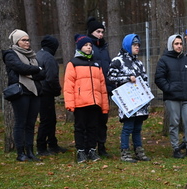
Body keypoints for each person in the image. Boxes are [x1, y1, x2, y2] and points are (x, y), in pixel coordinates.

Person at [64, 34, 109, 163]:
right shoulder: (73, 63)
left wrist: (104, 105)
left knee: (93, 127)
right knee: (80, 127)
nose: (88, 47)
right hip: (80, 102)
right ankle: (81, 151)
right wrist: (70, 103)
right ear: (79, 47)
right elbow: (68, 85)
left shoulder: (96, 64)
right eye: (85, 45)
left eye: (90, 45)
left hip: (95, 102)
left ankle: (91, 149)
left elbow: (102, 87)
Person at [155, 34, 187, 158]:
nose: (179, 46)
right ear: (171, 44)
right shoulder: (164, 60)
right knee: (174, 123)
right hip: (172, 98)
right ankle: (176, 148)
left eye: (181, 43)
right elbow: (159, 78)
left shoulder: (186, 60)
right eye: (176, 44)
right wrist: (169, 89)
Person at [2, 29, 45, 161]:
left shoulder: (31, 55)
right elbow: (20, 68)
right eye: (23, 40)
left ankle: (30, 151)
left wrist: (34, 71)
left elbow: (43, 74)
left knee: (31, 123)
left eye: (28, 40)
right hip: (20, 92)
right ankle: (20, 153)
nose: (27, 43)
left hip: (35, 91)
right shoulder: (10, 54)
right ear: (17, 41)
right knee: (21, 122)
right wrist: (36, 70)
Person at [108, 34, 151, 163]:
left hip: (140, 101)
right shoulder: (118, 61)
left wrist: (147, 96)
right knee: (128, 127)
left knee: (138, 128)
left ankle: (139, 151)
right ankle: (125, 152)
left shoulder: (139, 63)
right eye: (134, 45)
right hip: (127, 100)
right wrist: (128, 78)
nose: (137, 47)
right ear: (127, 45)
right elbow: (110, 77)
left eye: (138, 45)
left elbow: (144, 79)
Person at [87, 17, 115, 156]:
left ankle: (101, 146)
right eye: (98, 31)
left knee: (103, 119)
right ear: (92, 32)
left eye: (102, 32)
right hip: (92, 89)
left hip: (105, 89)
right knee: (92, 120)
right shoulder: (88, 47)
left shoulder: (104, 48)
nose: (101, 34)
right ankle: (90, 147)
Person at [36, 35, 67, 156]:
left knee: (48, 119)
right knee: (48, 120)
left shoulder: (38, 55)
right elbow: (51, 78)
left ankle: (52, 143)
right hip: (46, 93)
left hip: (39, 91)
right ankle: (42, 147)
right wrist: (57, 90)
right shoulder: (49, 58)